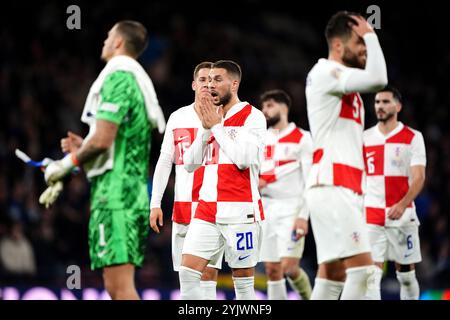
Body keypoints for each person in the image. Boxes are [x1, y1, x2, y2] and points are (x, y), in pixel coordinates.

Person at [43, 20, 165, 300]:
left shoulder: (118, 78)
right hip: (128, 191)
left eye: (108, 35)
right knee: (116, 287)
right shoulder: (135, 80)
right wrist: (84, 148)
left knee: (120, 288)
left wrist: (67, 163)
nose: (104, 40)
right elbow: (113, 143)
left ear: (119, 42)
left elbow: (103, 140)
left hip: (116, 195)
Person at [300, 11, 388, 299]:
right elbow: (378, 79)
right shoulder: (325, 73)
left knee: (333, 275)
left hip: (341, 186)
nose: (364, 49)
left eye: (365, 43)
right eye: (359, 42)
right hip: (333, 184)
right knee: (363, 272)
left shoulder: (345, 85)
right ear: (338, 46)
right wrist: (372, 36)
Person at [178, 60, 266, 300]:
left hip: (240, 211)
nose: (210, 85)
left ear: (234, 84)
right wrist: (207, 129)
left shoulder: (252, 117)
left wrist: (216, 128)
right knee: (187, 273)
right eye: (207, 80)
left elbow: (244, 160)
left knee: (243, 284)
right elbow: (189, 163)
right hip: (207, 209)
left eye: (217, 80)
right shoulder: (211, 118)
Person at [149, 61, 224, 299]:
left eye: (211, 80)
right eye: (202, 80)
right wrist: (155, 203)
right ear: (193, 84)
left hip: (212, 207)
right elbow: (164, 162)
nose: (206, 84)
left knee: (208, 275)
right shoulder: (178, 117)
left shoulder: (225, 116)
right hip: (183, 207)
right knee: (186, 276)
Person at [363, 86, 426, 300]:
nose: (379, 106)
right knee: (370, 276)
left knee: (406, 276)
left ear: (398, 106)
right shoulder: (365, 138)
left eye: (385, 102)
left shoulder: (412, 137)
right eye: (377, 102)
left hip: (402, 214)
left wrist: (402, 203)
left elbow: (418, 177)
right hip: (371, 214)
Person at [258, 89, 312, 300]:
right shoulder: (260, 138)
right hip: (265, 208)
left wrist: (303, 216)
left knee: (289, 267)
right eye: (263, 107)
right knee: (272, 269)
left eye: (269, 105)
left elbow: (310, 180)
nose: (264, 110)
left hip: (291, 208)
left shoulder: (303, 138)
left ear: (284, 107)